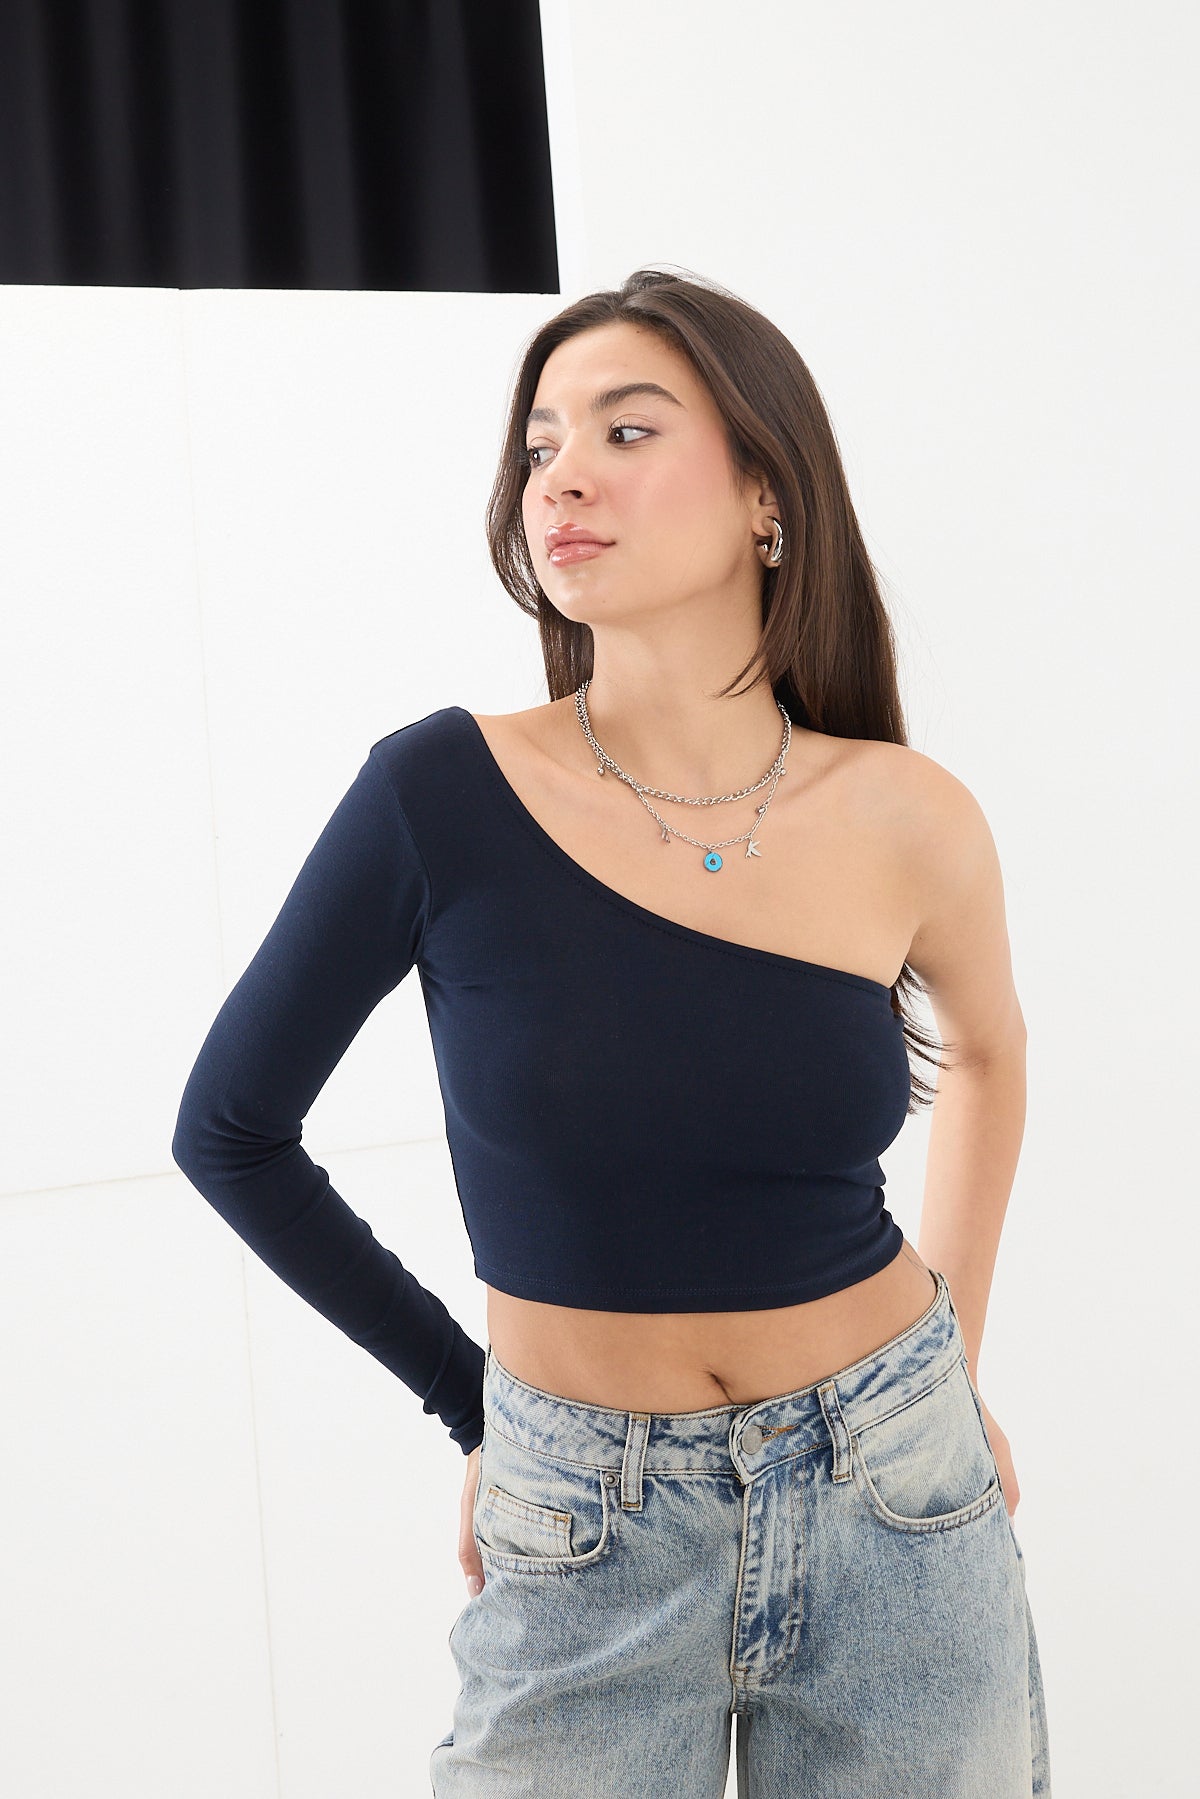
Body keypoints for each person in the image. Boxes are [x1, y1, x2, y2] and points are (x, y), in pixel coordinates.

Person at [172, 266, 1051, 1796]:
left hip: (899, 1492)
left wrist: (950, 1372)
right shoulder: (437, 796)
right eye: (540, 445)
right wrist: (482, 1410)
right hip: (581, 1518)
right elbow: (230, 1132)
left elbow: (988, 1052)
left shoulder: (908, 815)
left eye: (626, 431)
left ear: (767, 494)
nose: (561, 475)